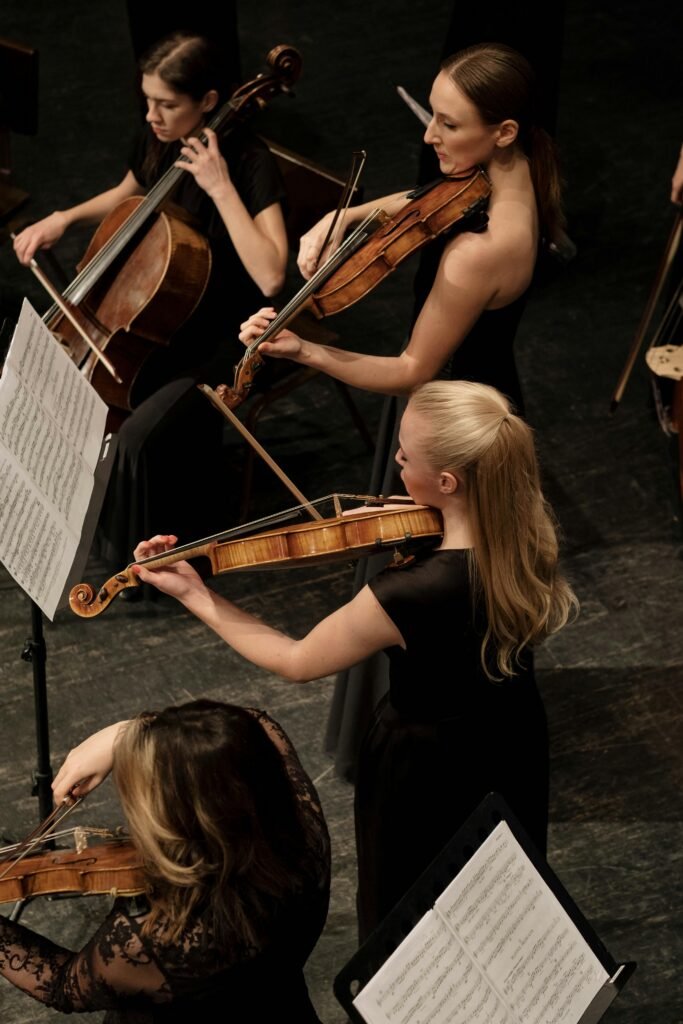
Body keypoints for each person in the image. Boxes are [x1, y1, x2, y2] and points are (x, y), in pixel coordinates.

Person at [69, 380, 577, 942]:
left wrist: (196, 594)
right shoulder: (522, 530)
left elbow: (295, 660)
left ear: (448, 481)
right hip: (509, 739)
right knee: (499, 892)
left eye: (404, 458)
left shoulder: (409, 593)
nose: (394, 473)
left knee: (412, 909)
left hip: (427, 771)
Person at [239, 40, 565, 777]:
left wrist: (305, 350)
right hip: (482, 392)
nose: (428, 136)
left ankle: (438, 729)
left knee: (427, 576)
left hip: (450, 413)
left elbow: (409, 367)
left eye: (447, 124)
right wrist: (346, 215)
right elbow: (417, 202)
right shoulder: (512, 174)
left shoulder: (478, 253)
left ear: (502, 131)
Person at [12, 31, 289, 567]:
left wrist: (220, 187)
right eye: (147, 101)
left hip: (224, 333)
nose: (152, 116)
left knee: (135, 434)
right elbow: (129, 193)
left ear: (209, 102)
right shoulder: (161, 138)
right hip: (163, 319)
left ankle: (146, 552)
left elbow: (273, 272)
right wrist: (63, 219)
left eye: (166, 104)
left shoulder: (251, 163)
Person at [0, 700, 330, 1021]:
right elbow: (255, 724)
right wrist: (130, 735)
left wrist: (126, 733)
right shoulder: (304, 828)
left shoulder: (155, 941)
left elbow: (62, 985)